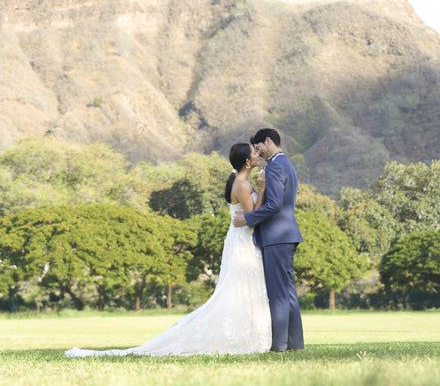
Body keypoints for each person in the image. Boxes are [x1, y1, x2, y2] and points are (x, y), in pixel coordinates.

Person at [65, 142, 272, 357]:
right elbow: (251, 218)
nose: (258, 155)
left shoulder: (242, 182)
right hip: (243, 242)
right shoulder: (241, 184)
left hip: (241, 240)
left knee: (246, 288)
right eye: (254, 153)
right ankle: (241, 338)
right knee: (239, 289)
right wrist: (263, 188)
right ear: (248, 161)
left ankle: (248, 334)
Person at [233, 128, 304, 352]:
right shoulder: (288, 165)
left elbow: (273, 205)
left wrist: (248, 219)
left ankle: (279, 345)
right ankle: (295, 344)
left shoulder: (274, 167)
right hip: (287, 235)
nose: (259, 152)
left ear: (268, 141)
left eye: (259, 147)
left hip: (276, 236)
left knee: (278, 294)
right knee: (289, 292)